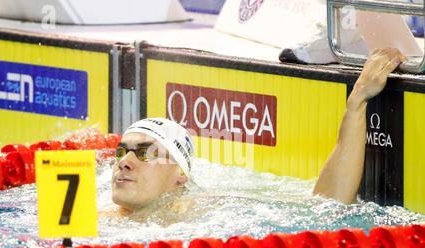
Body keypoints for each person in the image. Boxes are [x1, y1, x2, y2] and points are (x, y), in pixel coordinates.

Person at [110, 48, 406, 220]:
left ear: (180, 177)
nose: (125, 161)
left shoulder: (203, 211)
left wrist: (356, 104)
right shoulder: (100, 218)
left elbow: (329, 204)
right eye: (122, 151)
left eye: (146, 153)